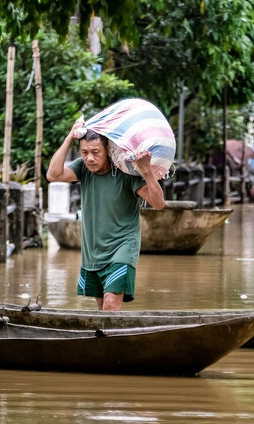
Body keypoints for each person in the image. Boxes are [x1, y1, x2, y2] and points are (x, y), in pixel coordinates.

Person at [46, 120, 165, 310]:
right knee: (102, 308)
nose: (90, 158)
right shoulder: (82, 168)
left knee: (110, 304)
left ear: (108, 149)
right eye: (85, 152)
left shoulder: (127, 171)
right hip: (93, 250)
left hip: (122, 248)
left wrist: (146, 171)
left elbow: (158, 204)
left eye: (95, 152)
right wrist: (70, 137)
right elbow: (53, 175)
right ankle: (109, 339)